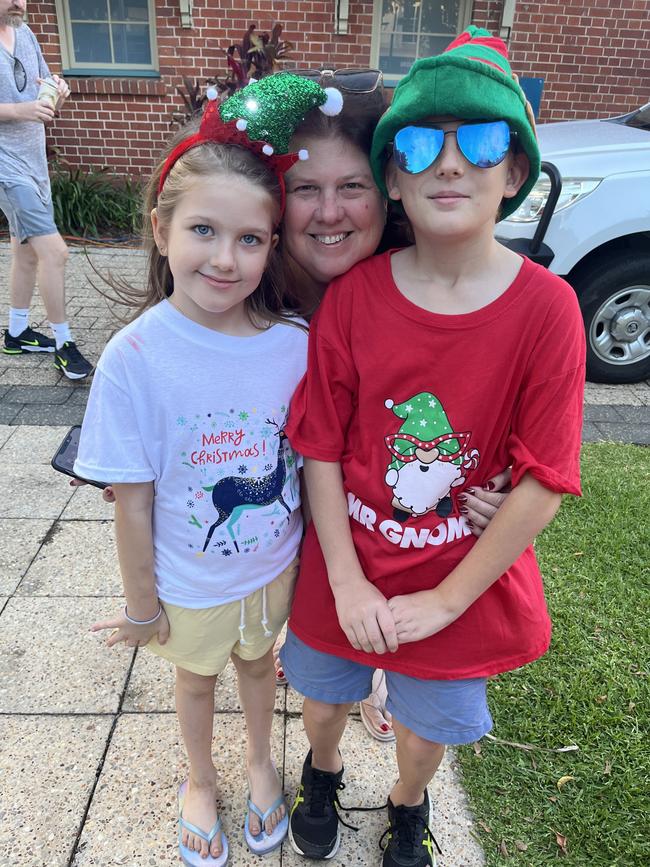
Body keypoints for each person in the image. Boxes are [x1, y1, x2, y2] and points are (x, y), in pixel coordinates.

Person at [72, 70, 513, 746]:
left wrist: (500, 477)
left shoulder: (415, 285)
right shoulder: (247, 296)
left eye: (352, 187)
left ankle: (378, 664)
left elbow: (472, 392)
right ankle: (314, 632)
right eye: (307, 190)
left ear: (387, 192)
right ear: (276, 214)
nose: (329, 212)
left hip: (394, 526)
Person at [281, 26, 586, 867]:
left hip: (459, 577)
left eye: (481, 141)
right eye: (421, 143)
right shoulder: (355, 300)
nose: (450, 163)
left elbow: (546, 477)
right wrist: (343, 581)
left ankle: (408, 804)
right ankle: (323, 768)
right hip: (351, 559)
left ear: (515, 169)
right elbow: (320, 442)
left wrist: (446, 602)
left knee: (425, 734)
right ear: (394, 175)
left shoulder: (548, 311)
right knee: (320, 698)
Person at [75, 74, 345, 866]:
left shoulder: (294, 344)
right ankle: (201, 778)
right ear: (161, 230)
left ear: (273, 244)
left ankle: (261, 760)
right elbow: (132, 499)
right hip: (185, 581)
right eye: (203, 230)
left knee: (259, 666)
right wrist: (139, 604)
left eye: (251, 239)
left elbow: (316, 457)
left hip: (271, 572)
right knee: (195, 681)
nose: (225, 259)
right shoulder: (135, 358)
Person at [0, 0, 92, 378]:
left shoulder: (25, 33)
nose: (20, 2)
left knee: (27, 252)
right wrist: (21, 111)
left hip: (34, 162)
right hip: (7, 167)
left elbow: (44, 82)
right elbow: (22, 108)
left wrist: (58, 88)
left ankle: (17, 332)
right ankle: (63, 343)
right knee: (55, 252)